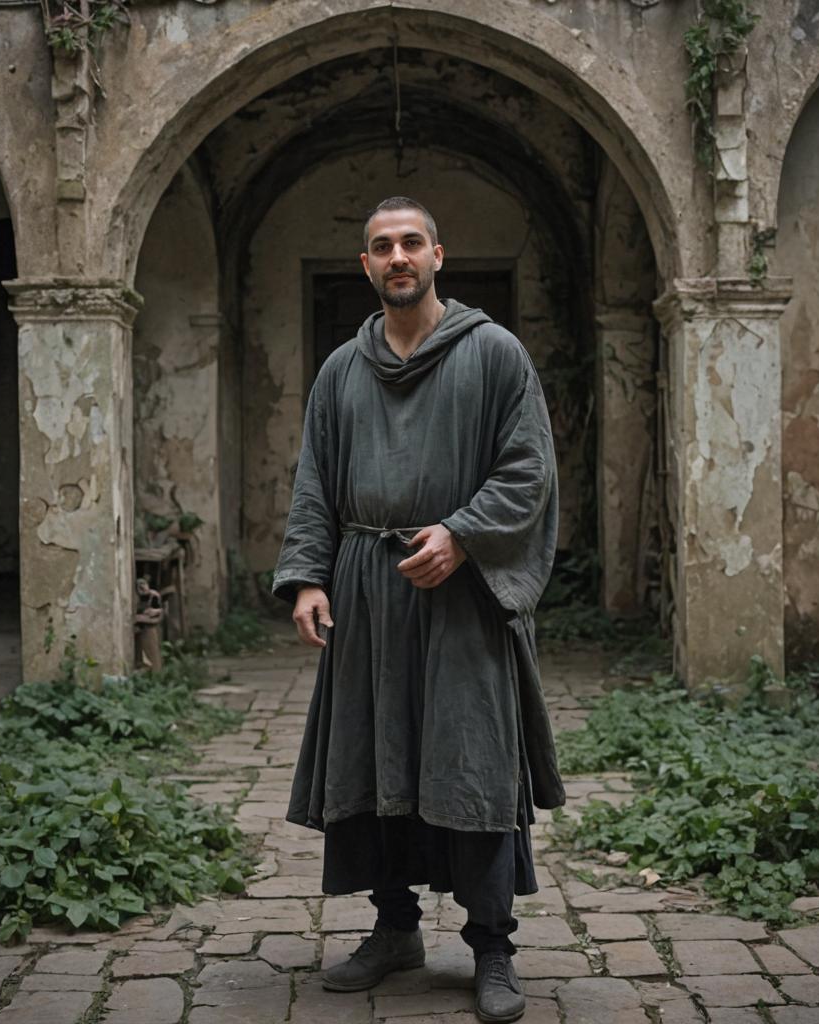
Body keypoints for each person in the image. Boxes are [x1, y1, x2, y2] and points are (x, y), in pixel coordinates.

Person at [273, 196, 564, 1024]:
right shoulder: (341, 371)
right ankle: (394, 926)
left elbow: (529, 471)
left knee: (471, 763)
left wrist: (465, 535)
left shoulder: (495, 355)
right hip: (368, 592)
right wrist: (308, 577)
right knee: (376, 759)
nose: (397, 256)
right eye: (380, 246)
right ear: (365, 266)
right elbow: (314, 484)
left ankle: (493, 945)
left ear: (440, 254)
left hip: (463, 595)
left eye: (410, 243)